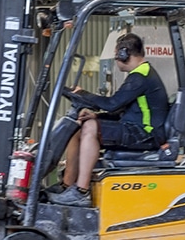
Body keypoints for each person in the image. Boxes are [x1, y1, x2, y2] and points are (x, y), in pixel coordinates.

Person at [50, 33, 174, 207]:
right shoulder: (141, 74)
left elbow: (112, 104)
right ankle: (67, 185)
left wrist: (82, 94)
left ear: (123, 54)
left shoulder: (140, 76)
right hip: (136, 129)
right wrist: (96, 115)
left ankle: (81, 192)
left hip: (145, 134)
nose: (116, 60)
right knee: (80, 126)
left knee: (90, 127)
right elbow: (124, 110)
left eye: (117, 55)